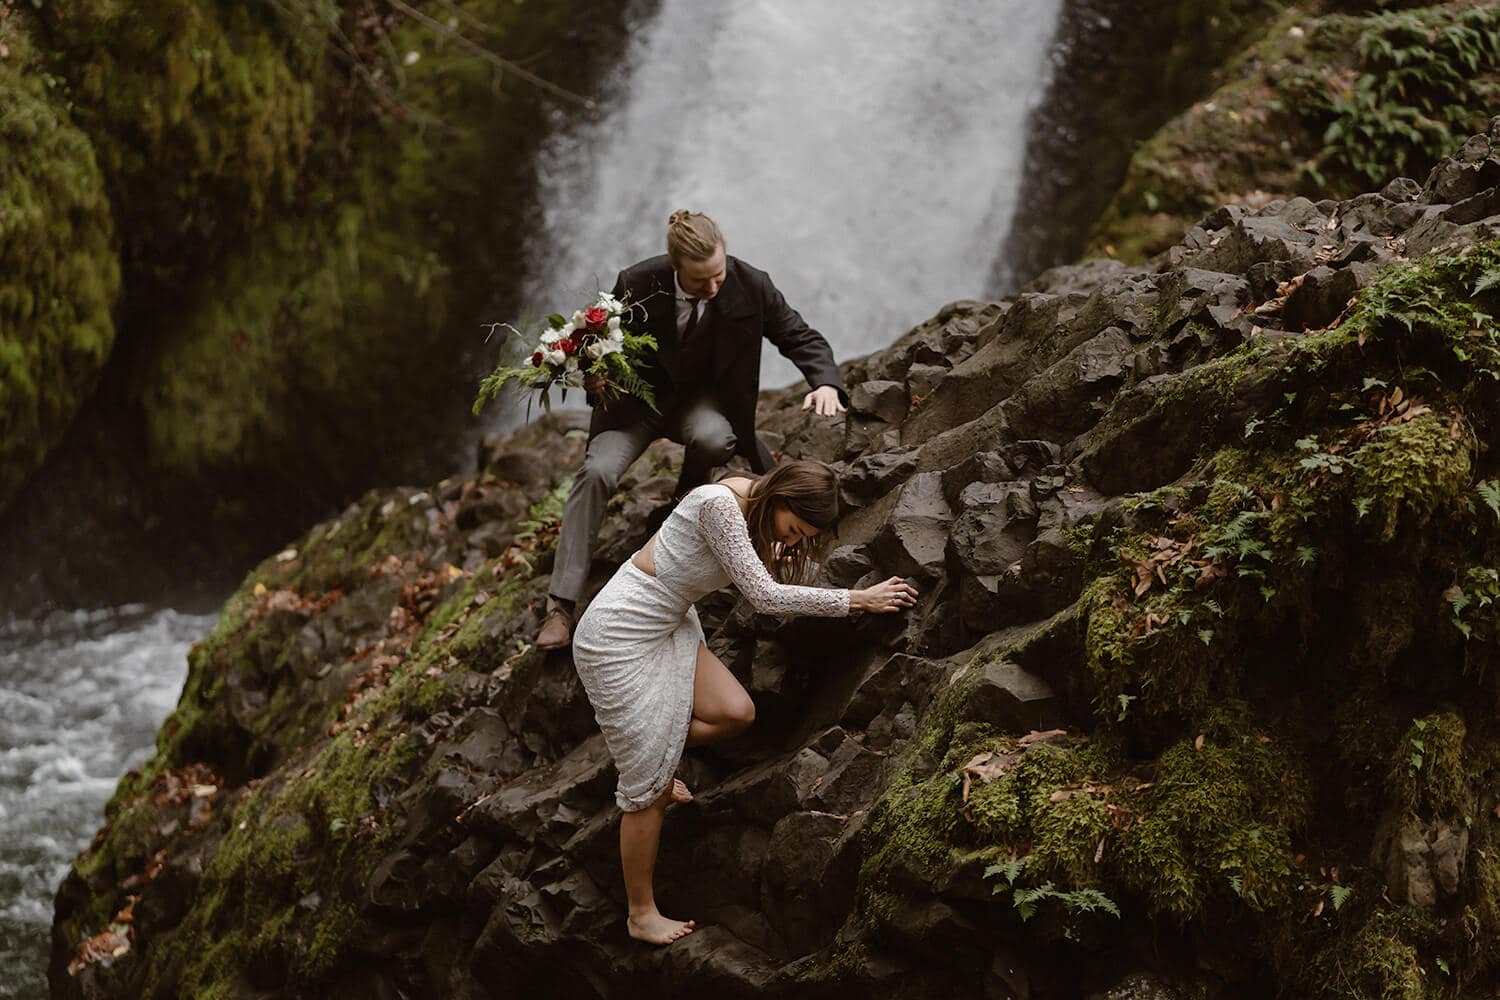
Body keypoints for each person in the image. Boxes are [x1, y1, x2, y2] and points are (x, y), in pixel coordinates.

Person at [570, 460, 918, 944]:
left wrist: (789, 549)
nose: (793, 542)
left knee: (736, 713)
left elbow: (764, 561)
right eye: (793, 529)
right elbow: (765, 596)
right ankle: (640, 911)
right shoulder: (720, 506)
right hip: (617, 635)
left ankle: (651, 754)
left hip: (668, 622)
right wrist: (858, 600)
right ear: (780, 497)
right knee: (645, 796)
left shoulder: (753, 507)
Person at [536, 209, 849, 650]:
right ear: (675, 266)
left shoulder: (751, 283)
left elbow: (799, 336)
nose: (714, 287)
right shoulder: (638, 281)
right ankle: (560, 604)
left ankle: (681, 505)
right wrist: (593, 375)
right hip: (633, 406)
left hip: (702, 405)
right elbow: (595, 347)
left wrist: (827, 383)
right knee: (598, 472)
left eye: (719, 274)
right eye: (702, 281)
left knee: (716, 438)